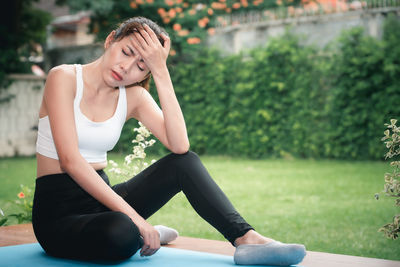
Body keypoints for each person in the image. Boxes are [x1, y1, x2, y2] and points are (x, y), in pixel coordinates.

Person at [32, 16, 306, 266]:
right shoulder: (64, 77)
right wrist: (138, 221)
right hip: (59, 216)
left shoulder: (133, 97)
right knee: (120, 232)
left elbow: (179, 146)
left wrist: (161, 72)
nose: (127, 68)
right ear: (110, 40)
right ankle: (140, 232)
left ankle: (246, 240)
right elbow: (70, 161)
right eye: (126, 51)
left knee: (183, 163)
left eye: (142, 65)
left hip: (103, 201)